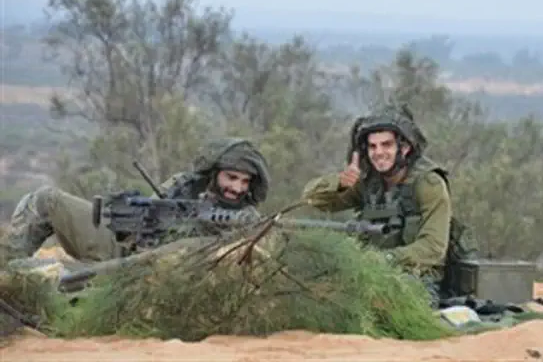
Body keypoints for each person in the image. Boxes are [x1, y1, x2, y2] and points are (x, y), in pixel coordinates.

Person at [301, 104, 478, 304]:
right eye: (372, 146)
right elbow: (312, 198)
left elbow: (433, 248)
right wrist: (340, 182)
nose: (378, 153)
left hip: (417, 280)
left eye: (386, 145)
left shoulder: (428, 184)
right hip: (371, 274)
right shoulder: (369, 183)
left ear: (405, 148)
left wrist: (384, 259)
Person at [0, 137, 271, 265]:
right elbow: (145, 218)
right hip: (123, 252)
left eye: (245, 181)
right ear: (214, 174)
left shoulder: (246, 218)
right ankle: (6, 273)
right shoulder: (183, 185)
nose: (237, 188)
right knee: (45, 200)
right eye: (231, 177)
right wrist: (126, 214)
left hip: (150, 275)